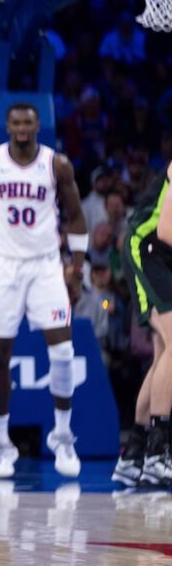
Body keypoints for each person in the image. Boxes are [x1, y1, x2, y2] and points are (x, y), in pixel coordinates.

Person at [0, 102, 88, 479]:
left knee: (63, 351)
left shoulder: (56, 164)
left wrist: (76, 268)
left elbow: (76, 215)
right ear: (6, 125)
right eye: (16, 122)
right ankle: (0, 443)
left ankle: (62, 435)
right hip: (3, 265)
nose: (22, 128)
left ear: (38, 125)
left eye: (28, 122)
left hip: (45, 265)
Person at [112, 162, 172, 486]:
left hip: (165, 256)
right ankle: (158, 452)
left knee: (165, 353)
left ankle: (134, 453)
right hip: (146, 248)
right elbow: (166, 230)